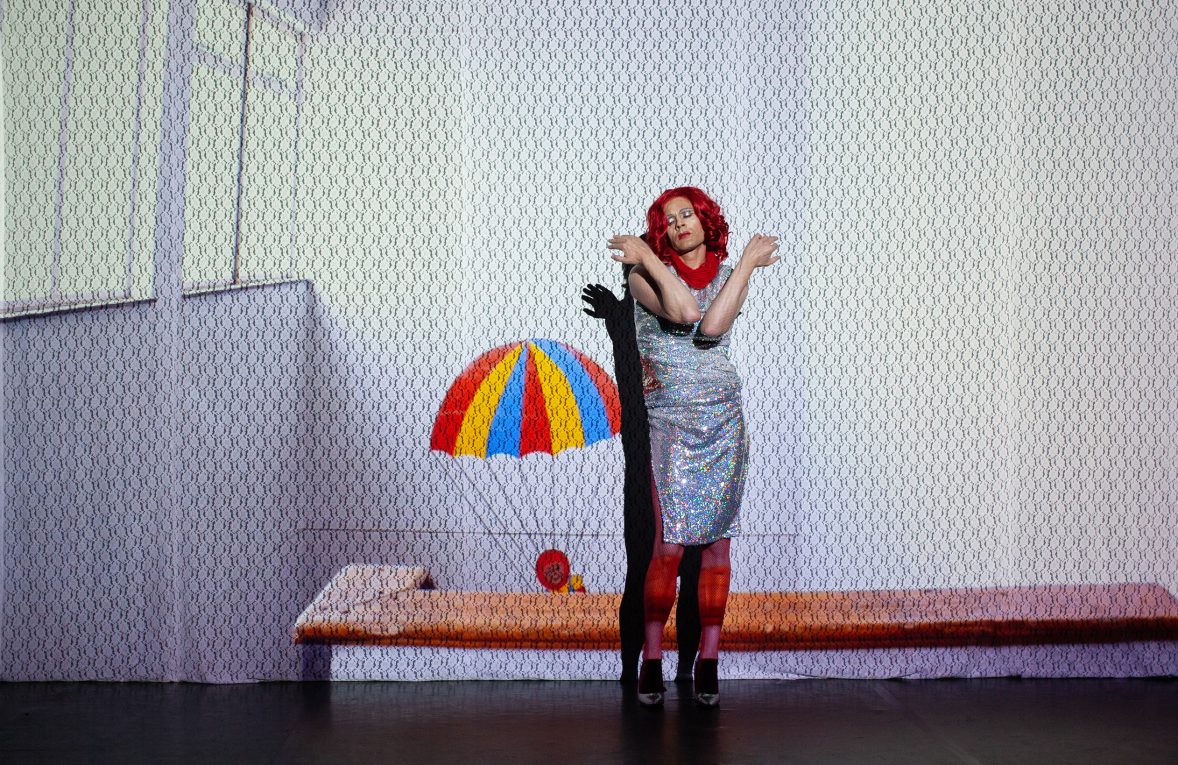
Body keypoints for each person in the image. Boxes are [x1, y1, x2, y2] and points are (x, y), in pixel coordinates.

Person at [607, 186, 779, 707]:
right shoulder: (642, 277)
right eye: (668, 219)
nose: (679, 223)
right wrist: (646, 257)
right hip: (673, 425)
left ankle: (708, 660)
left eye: (687, 214)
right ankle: (651, 659)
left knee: (719, 547)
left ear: (705, 221)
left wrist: (744, 265)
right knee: (667, 547)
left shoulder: (729, 277)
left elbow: (715, 327)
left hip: (724, 420)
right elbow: (685, 314)